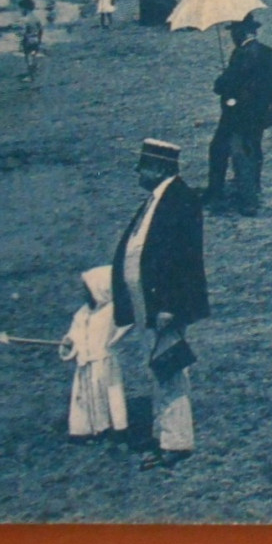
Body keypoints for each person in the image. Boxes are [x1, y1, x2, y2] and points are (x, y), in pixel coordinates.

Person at [110, 139, 209, 470]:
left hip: (163, 304)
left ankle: (176, 442)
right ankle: (162, 434)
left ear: (159, 167)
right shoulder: (158, 199)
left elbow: (183, 259)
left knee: (168, 368)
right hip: (146, 300)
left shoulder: (180, 199)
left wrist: (170, 305)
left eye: (144, 166)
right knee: (158, 368)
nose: (140, 173)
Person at [205, 13, 272, 216]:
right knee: (252, 149)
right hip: (260, 113)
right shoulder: (266, 51)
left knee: (232, 151)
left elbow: (229, 83)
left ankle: (243, 198)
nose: (231, 36)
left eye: (233, 31)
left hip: (238, 114)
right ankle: (251, 188)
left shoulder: (242, 54)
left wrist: (222, 81)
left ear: (241, 31)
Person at [59, 266, 129, 441]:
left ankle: (116, 429)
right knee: (85, 397)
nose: (84, 294)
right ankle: (85, 430)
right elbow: (75, 334)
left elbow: (127, 322)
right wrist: (69, 343)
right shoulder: (82, 314)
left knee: (110, 396)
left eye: (88, 289)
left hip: (104, 363)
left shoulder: (112, 312)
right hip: (85, 363)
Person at [17, 0, 44, 85]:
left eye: (20, 8)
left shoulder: (24, 19)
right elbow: (41, 29)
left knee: (28, 58)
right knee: (33, 56)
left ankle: (30, 76)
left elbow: (23, 32)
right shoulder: (36, 18)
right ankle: (33, 73)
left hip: (28, 40)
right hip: (35, 39)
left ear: (25, 8)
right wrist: (39, 39)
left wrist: (20, 42)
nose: (20, 11)